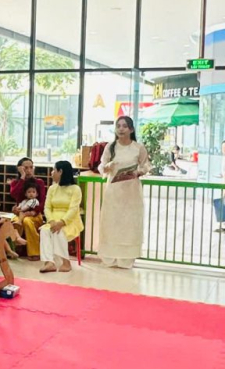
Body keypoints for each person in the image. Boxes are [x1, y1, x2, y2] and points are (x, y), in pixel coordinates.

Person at [95, 116, 145, 268]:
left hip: (131, 192)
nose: (121, 129)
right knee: (111, 222)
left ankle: (127, 259)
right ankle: (109, 257)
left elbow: (146, 165)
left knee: (129, 224)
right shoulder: (110, 147)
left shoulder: (138, 148)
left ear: (131, 129)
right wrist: (107, 167)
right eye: (118, 126)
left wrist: (138, 172)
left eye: (124, 126)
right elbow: (101, 166)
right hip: (114, 191)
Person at [38, 160, 83, 272]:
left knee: (59, 231)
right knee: (44, 231)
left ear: (60, 171)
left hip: (70, 221)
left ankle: (66, 262)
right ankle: (49, 262)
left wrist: (62, 222)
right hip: (53, 220)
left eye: (54, 170)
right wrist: (51, 221)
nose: (51, 173)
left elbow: (73, 209)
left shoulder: (75, 189)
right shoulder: (52, 188)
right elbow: (47, 208)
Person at [8, 158, 47, 258]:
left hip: (35, 215)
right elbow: (14, 194)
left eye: (31, 167)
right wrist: (22, 177)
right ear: (20, 169)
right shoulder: (15, 182)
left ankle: (34, 252)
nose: (29, 170)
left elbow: (42, 202)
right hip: (20, 214)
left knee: (27, 221)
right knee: (11, 222)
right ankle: (14, 249)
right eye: (25, 168)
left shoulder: (39, 182)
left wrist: (34, 212)